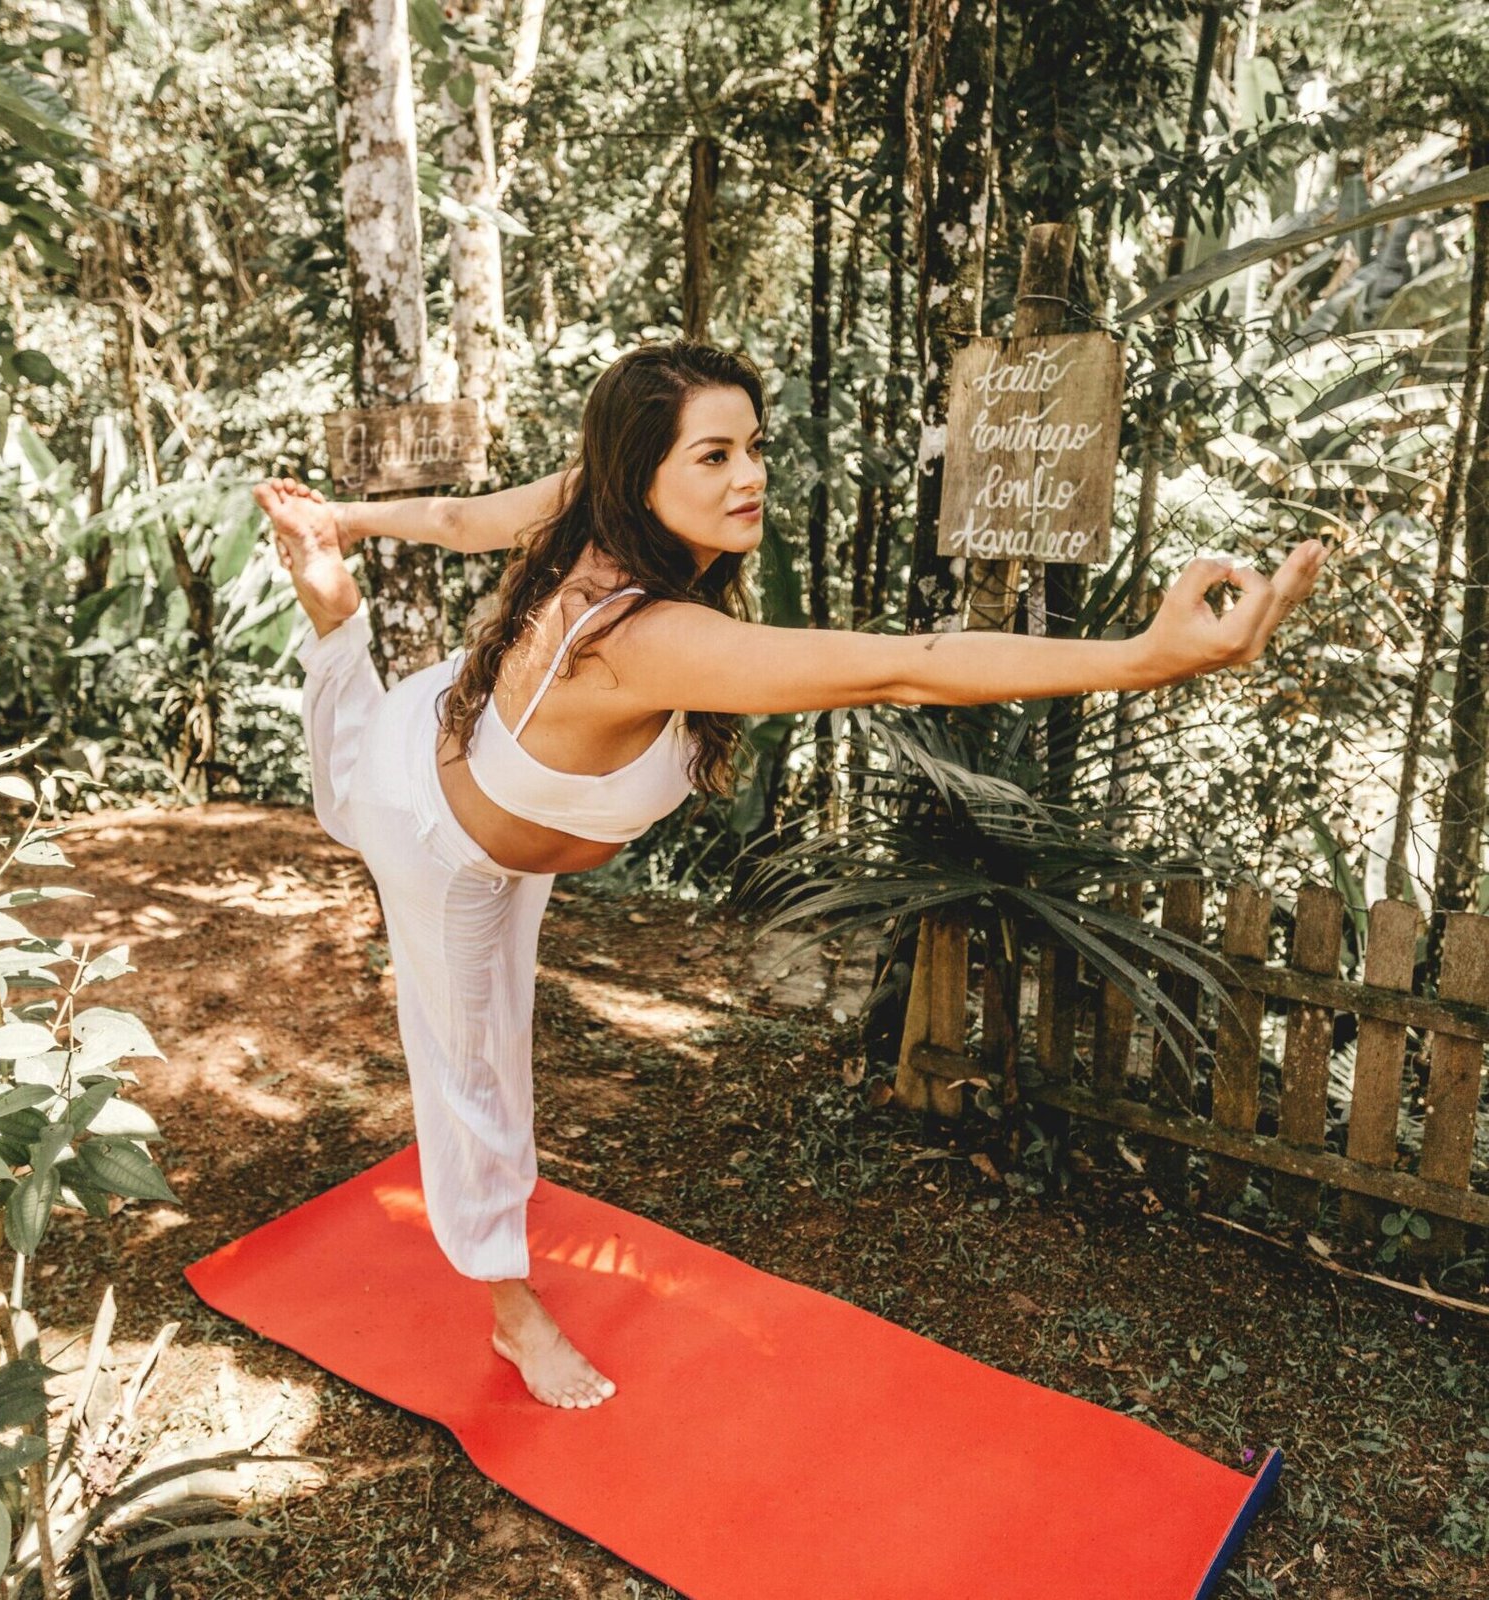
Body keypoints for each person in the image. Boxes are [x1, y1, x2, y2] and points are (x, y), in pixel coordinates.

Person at [253, 338, 1328, 1413]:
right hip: (437, 831)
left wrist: (347, 521)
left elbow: (455, 519)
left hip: (463, 731)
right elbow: (905, 667)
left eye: (754, 447)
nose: (751, 476)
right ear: (639, 475)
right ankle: (511, 1307)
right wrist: (1143, 658)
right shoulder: (641, 638)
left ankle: (333, 605)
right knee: (471, 1059)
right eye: (713, 456)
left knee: (369, 809)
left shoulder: (607, 519)